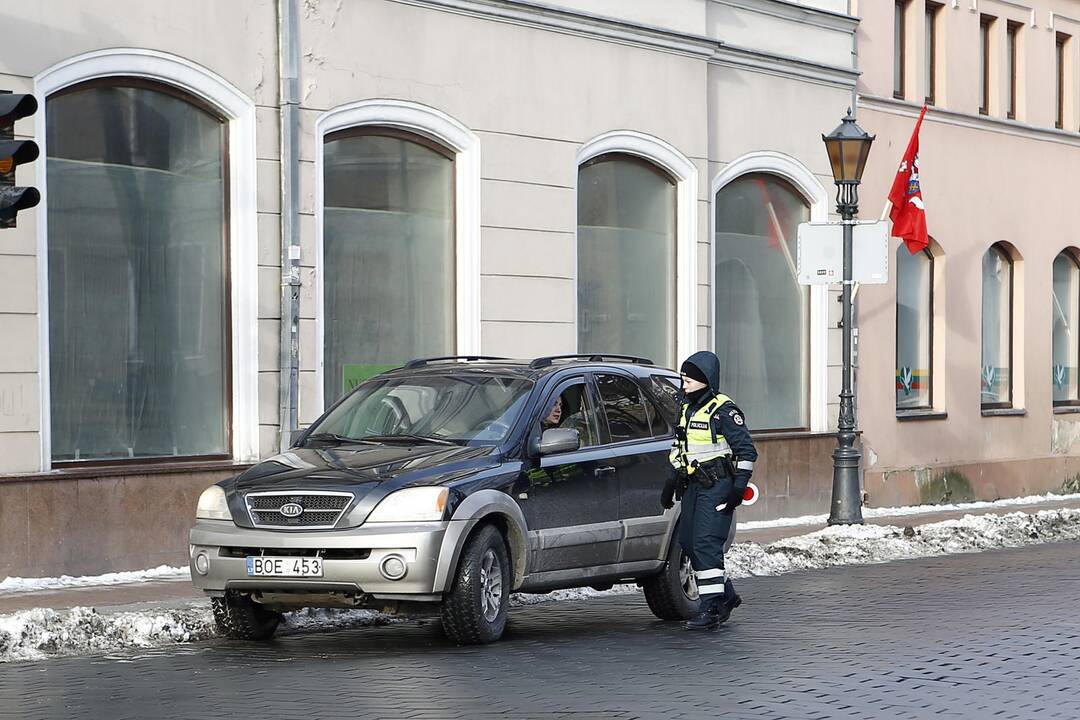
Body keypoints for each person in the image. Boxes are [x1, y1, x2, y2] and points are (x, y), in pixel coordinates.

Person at [661, 350, 758, 630]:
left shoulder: (724, 410)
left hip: (717, 486)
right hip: (694, 484)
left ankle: (711, 607)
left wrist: (738, 487)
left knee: (706, 544)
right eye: (683, 378)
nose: (684, 383)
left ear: (706, 380)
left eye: (689, 379)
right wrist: (670, 483)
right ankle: (725, 595)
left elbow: (746, 450)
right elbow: (679, 447)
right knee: (689, 542)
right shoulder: (687, 408)